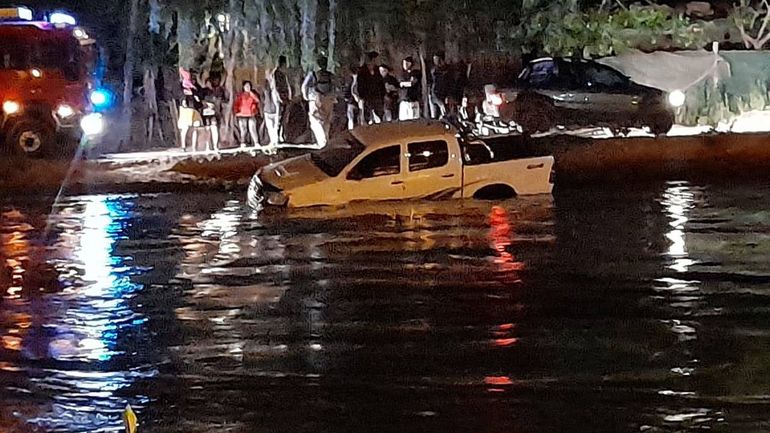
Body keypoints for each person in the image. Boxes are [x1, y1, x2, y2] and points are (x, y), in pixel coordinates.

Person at [301, 56, 336, 147]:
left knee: (316, 120)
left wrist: (306, 97)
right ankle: (326, 140)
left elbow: (304, 86)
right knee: (327, 121)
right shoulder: (330, 75)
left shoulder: (313, 74)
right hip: (328, 99)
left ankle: (322, 142)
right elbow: (335, 86)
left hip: (316, 99)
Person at [355, 51, 385, 124]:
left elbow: (381, 83)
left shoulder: (377, 70)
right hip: (367, 98)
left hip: (377, 97)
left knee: (379, 116)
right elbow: (360, 85)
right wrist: (362, 97)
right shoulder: (362, 71)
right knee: (368, 118)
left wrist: (383, 94)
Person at [268, 55, 292, 144]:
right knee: (279, 117)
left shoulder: (283, 73)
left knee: (283, 118)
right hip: (280, 98)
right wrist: (280, 97)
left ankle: (281, 135)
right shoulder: (277, 73)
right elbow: (276, 86)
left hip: (284, 97)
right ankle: (276, 137)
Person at [233, 81, 261, 149]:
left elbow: (257, 101)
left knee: (252, 128)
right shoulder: (240, 95)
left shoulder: (253, 94)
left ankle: (256, 143)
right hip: (242, 114)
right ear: (243, 87)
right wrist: (236, 112)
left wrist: (251, 93)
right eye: (246, 86)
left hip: (251, 114)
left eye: (249, 86)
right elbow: (236, 104)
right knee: (243, 130)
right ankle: (243, 143)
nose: (247, 87)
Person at [399, 56, 422, 120]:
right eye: (404, 63)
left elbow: (412, 83)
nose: (405, 65)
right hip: (404, 101)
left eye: (407, 63)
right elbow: (400, 84)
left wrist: (404, 84)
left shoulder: (415, 73)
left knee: (413, 121)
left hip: (413, 101)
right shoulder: (402, 74)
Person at [430, 51, 450, 119]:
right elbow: (434, 88)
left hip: (445, 96)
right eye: (434, 60)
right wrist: (440, 103)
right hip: (435, 96)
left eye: (437, 60)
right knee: (435, 118)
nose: (435, 62)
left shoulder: (448, 70)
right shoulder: (434, 71)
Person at [344, 65, 360, 130]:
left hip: (352, 102)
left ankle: (351, 130)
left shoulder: (352, 80)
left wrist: (346, 97)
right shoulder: (360, 79)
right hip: (358, 102)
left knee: (350, 117)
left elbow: (350, 90)